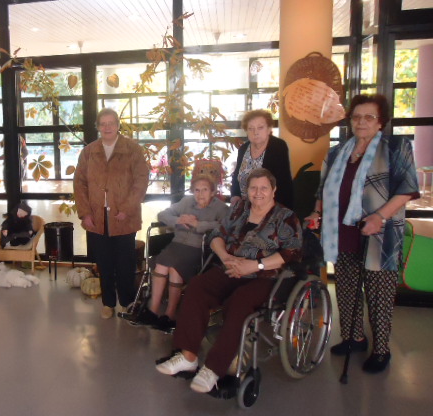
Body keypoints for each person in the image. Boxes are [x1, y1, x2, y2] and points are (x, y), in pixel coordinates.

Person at [156, 168, 301, 394]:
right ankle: (188, 356)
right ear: (247, 190)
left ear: (274, 190)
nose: (258, 192)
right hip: (231, 267)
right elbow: (217, 236)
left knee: (240, 301)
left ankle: (214, 368)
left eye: (264, 188)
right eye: (253, 188)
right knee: (197, 286)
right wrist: (225, 257)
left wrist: (255, 265)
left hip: (266, 276)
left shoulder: (285, 217)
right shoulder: (239, 210)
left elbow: (291, 252)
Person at [305, 94, 419, 374]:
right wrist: (316, 213)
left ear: (381, 122)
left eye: (369, 117)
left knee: (379, 296)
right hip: (342, 232)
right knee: (346, 290)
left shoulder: (396, 147)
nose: (361, 122)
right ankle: (354, 338)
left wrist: (379, 216)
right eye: (356, 117)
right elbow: (323, 189)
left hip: (380, 235)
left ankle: (381, 350)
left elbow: (407, 189)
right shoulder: (337, 152)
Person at [74, 108, 149, 319]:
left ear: (117, 125)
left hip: (124, 217)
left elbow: (141, 181)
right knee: (104, 263)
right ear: (98, 127)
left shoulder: (132, 149)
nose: (107, 127)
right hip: (97, 218)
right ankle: (108, 303)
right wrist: (85, 213)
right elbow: (79, 184)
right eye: (103, 123)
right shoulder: (89, 152)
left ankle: (126, 302)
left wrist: (127, 208)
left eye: (111, 123)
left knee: (125, 263)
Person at [137, 173, 229, 331]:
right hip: (176, 244)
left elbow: (226, 226)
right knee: (163, 265)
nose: (200, 194)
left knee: (172, 267)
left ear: (213, 192)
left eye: (205, 190)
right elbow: (163, 214)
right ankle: (157, 312)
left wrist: (199, 224)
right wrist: (177, 220)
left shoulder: (220, 208)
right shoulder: (187, 202)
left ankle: (167, 313)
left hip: (198, 249)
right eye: (197, 190)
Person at [230, 109, 293, 209]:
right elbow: (236, 176)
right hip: (243, 206)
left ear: (269, 129)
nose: (255, 132)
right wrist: (235, 195)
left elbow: (283, 184)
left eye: (260, 128)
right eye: (251, 128)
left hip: (269, 207)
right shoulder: (243, 149)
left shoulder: (278, 146)